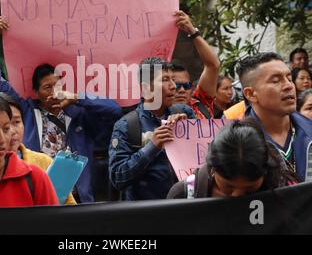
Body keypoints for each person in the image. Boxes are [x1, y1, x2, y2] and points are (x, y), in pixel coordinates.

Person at [0, 17, 122, 203]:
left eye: (57, 86)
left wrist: (76, 98)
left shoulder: (78, 114)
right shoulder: (26, 111)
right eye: (47, 87)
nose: (53, 91)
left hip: (78, 197)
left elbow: (114, 110)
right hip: (37, 193)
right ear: (36, 92)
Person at [109, 57, 195, 201]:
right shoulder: (126, 125)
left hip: (184, 208)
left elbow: (204, 160)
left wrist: (189, 131)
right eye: (165, 80)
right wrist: (152, 146)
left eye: (172, 79)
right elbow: (118, 177)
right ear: (146, 88)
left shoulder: (185, 113)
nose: (173, 86)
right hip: (144, 215)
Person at [167, 119, 298, 199]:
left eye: (250, 189)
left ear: (265, 171)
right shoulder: (183, 195)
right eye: (228, 186)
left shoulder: (285, 192)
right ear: (212, 169)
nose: (237, 195)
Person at [237, 52, 312, 181]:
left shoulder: (309, 130)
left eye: (289, 79)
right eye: (276, 81)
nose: (289, 86)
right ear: (250, 94)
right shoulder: (237, 144)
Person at [0, 92, 76, 205]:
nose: (12, 131)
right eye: (5, 125)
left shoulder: (45, 161)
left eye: (16, 122)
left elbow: (68, 206)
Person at [171, 11, 220, 119]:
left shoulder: (201, 103)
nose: (182, 90)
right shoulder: (154, 112)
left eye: (187, 86)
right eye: (176, 86)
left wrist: (193, 32)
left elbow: (213, 65)